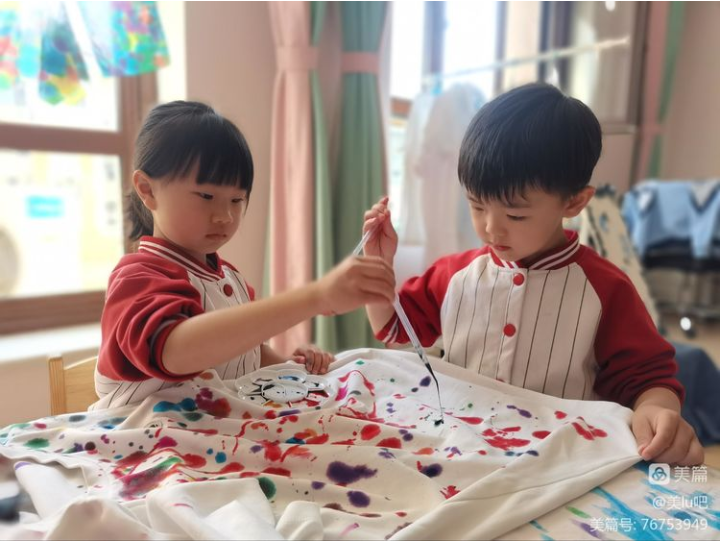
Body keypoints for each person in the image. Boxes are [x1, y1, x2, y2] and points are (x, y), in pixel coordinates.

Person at [362, 83, 703, 466]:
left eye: (515, 215)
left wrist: (656, 410)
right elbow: (393, 327)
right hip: (459, 452)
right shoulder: (455, 274)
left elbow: (648, 379)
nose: (491, 228)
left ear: (574, 202)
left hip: (560, 462)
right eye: (477, 206)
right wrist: (379, 267)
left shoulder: (606, 289)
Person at [93, 101, 395, 410]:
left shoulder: (229, 278)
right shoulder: (137, 277)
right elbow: (175, 351)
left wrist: (290, 367)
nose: (225, 216)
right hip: (139, 432)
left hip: (208, 429)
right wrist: (316, 297)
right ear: (147, 189)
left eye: (237, 200)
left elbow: (246, 354)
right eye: (206, 196)